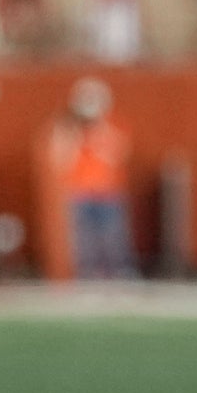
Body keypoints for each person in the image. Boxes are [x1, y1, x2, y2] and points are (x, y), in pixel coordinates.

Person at [53, 77, 134, 278]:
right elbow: (60, 160)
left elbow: (118, 155)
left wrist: (99, 131)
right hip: (79, 194)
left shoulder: (111, 127)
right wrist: (75, 135)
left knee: (113, 241)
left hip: (107, 194)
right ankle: (87, 278)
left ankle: (118, 277)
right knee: (83, 243)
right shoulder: (68, 128)